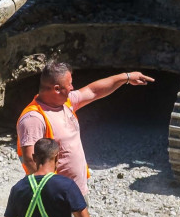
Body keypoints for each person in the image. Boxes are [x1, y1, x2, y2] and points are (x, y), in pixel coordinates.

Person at [15, 62, 153, 184]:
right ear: (57, 89)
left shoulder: (66, 102)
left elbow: (93, 90)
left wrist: (126, 77)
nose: (72, 87)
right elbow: (29, 159)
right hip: (57, 194)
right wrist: (49, 191)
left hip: (76, 190)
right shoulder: (34, 118)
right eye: (69, 84)